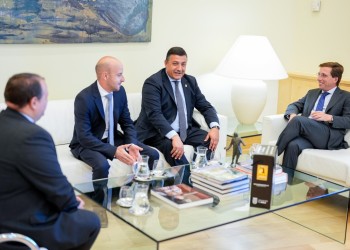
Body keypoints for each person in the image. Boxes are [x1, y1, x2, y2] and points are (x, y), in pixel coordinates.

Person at [0, 73, 100, 250]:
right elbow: (56, 185)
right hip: (17, 225)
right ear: (34, 102)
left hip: (10, 202)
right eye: (46, 96)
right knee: (90, 221)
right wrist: (72, 203)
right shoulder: (33, 136)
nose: (47, 101)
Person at [135, 47, 220, 185]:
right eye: (175, 63)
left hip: (185, 130)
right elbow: (154, 115)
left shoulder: (190, 81)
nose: (179, 68)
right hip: (157, 133)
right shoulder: (153, 83)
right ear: (166, 63)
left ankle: (200, 180)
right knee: (175, 149)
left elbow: (206, 106)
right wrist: (174, 136)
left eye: (183, 64)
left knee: (208, 141)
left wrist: (215, 127)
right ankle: (187, 187)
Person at [69, 56, 159, 183]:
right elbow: (84, 137)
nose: (123, 79)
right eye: (119, 75)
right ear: (105, 76)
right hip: (87, 144)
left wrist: (132, 144)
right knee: (102, 165)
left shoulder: (120, 92)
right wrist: (114, 151)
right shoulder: (84, 98)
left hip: (113, 138)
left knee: (152, 154)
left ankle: (138, 192)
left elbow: (127, 123)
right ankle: (100, 202)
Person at [276, 62, 350, 170]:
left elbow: (348, 120)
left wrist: (330, 117)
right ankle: (287, 182)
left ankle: (269, 156)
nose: (319, 78)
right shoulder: (312, 93)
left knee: (298, 120)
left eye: (324, 75)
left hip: (328, 136)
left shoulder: (346, 97)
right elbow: (294, 105)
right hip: (309, 134)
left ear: (335, 79)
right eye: (319, 74)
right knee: (293, 145)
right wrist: (292, 114)